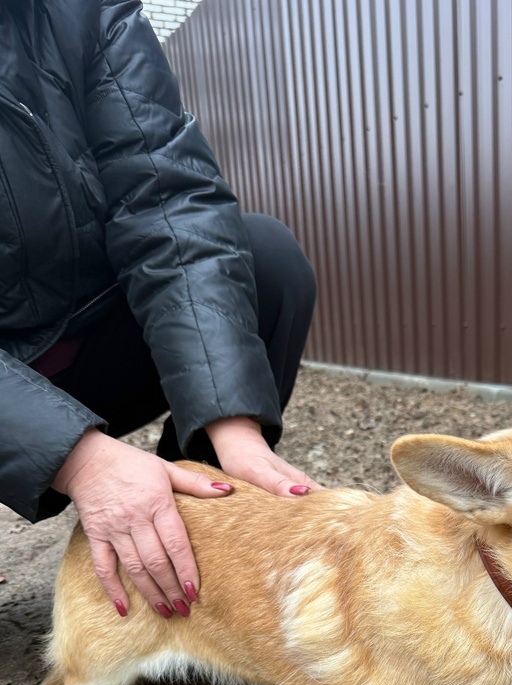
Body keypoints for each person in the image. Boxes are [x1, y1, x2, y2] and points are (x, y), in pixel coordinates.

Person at [0, 0, 319, 622]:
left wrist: (231, 423)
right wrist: (81, 459)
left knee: (265, 259)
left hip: (86, 335)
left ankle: (187, 550)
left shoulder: (77, 12)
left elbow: (166, 201)